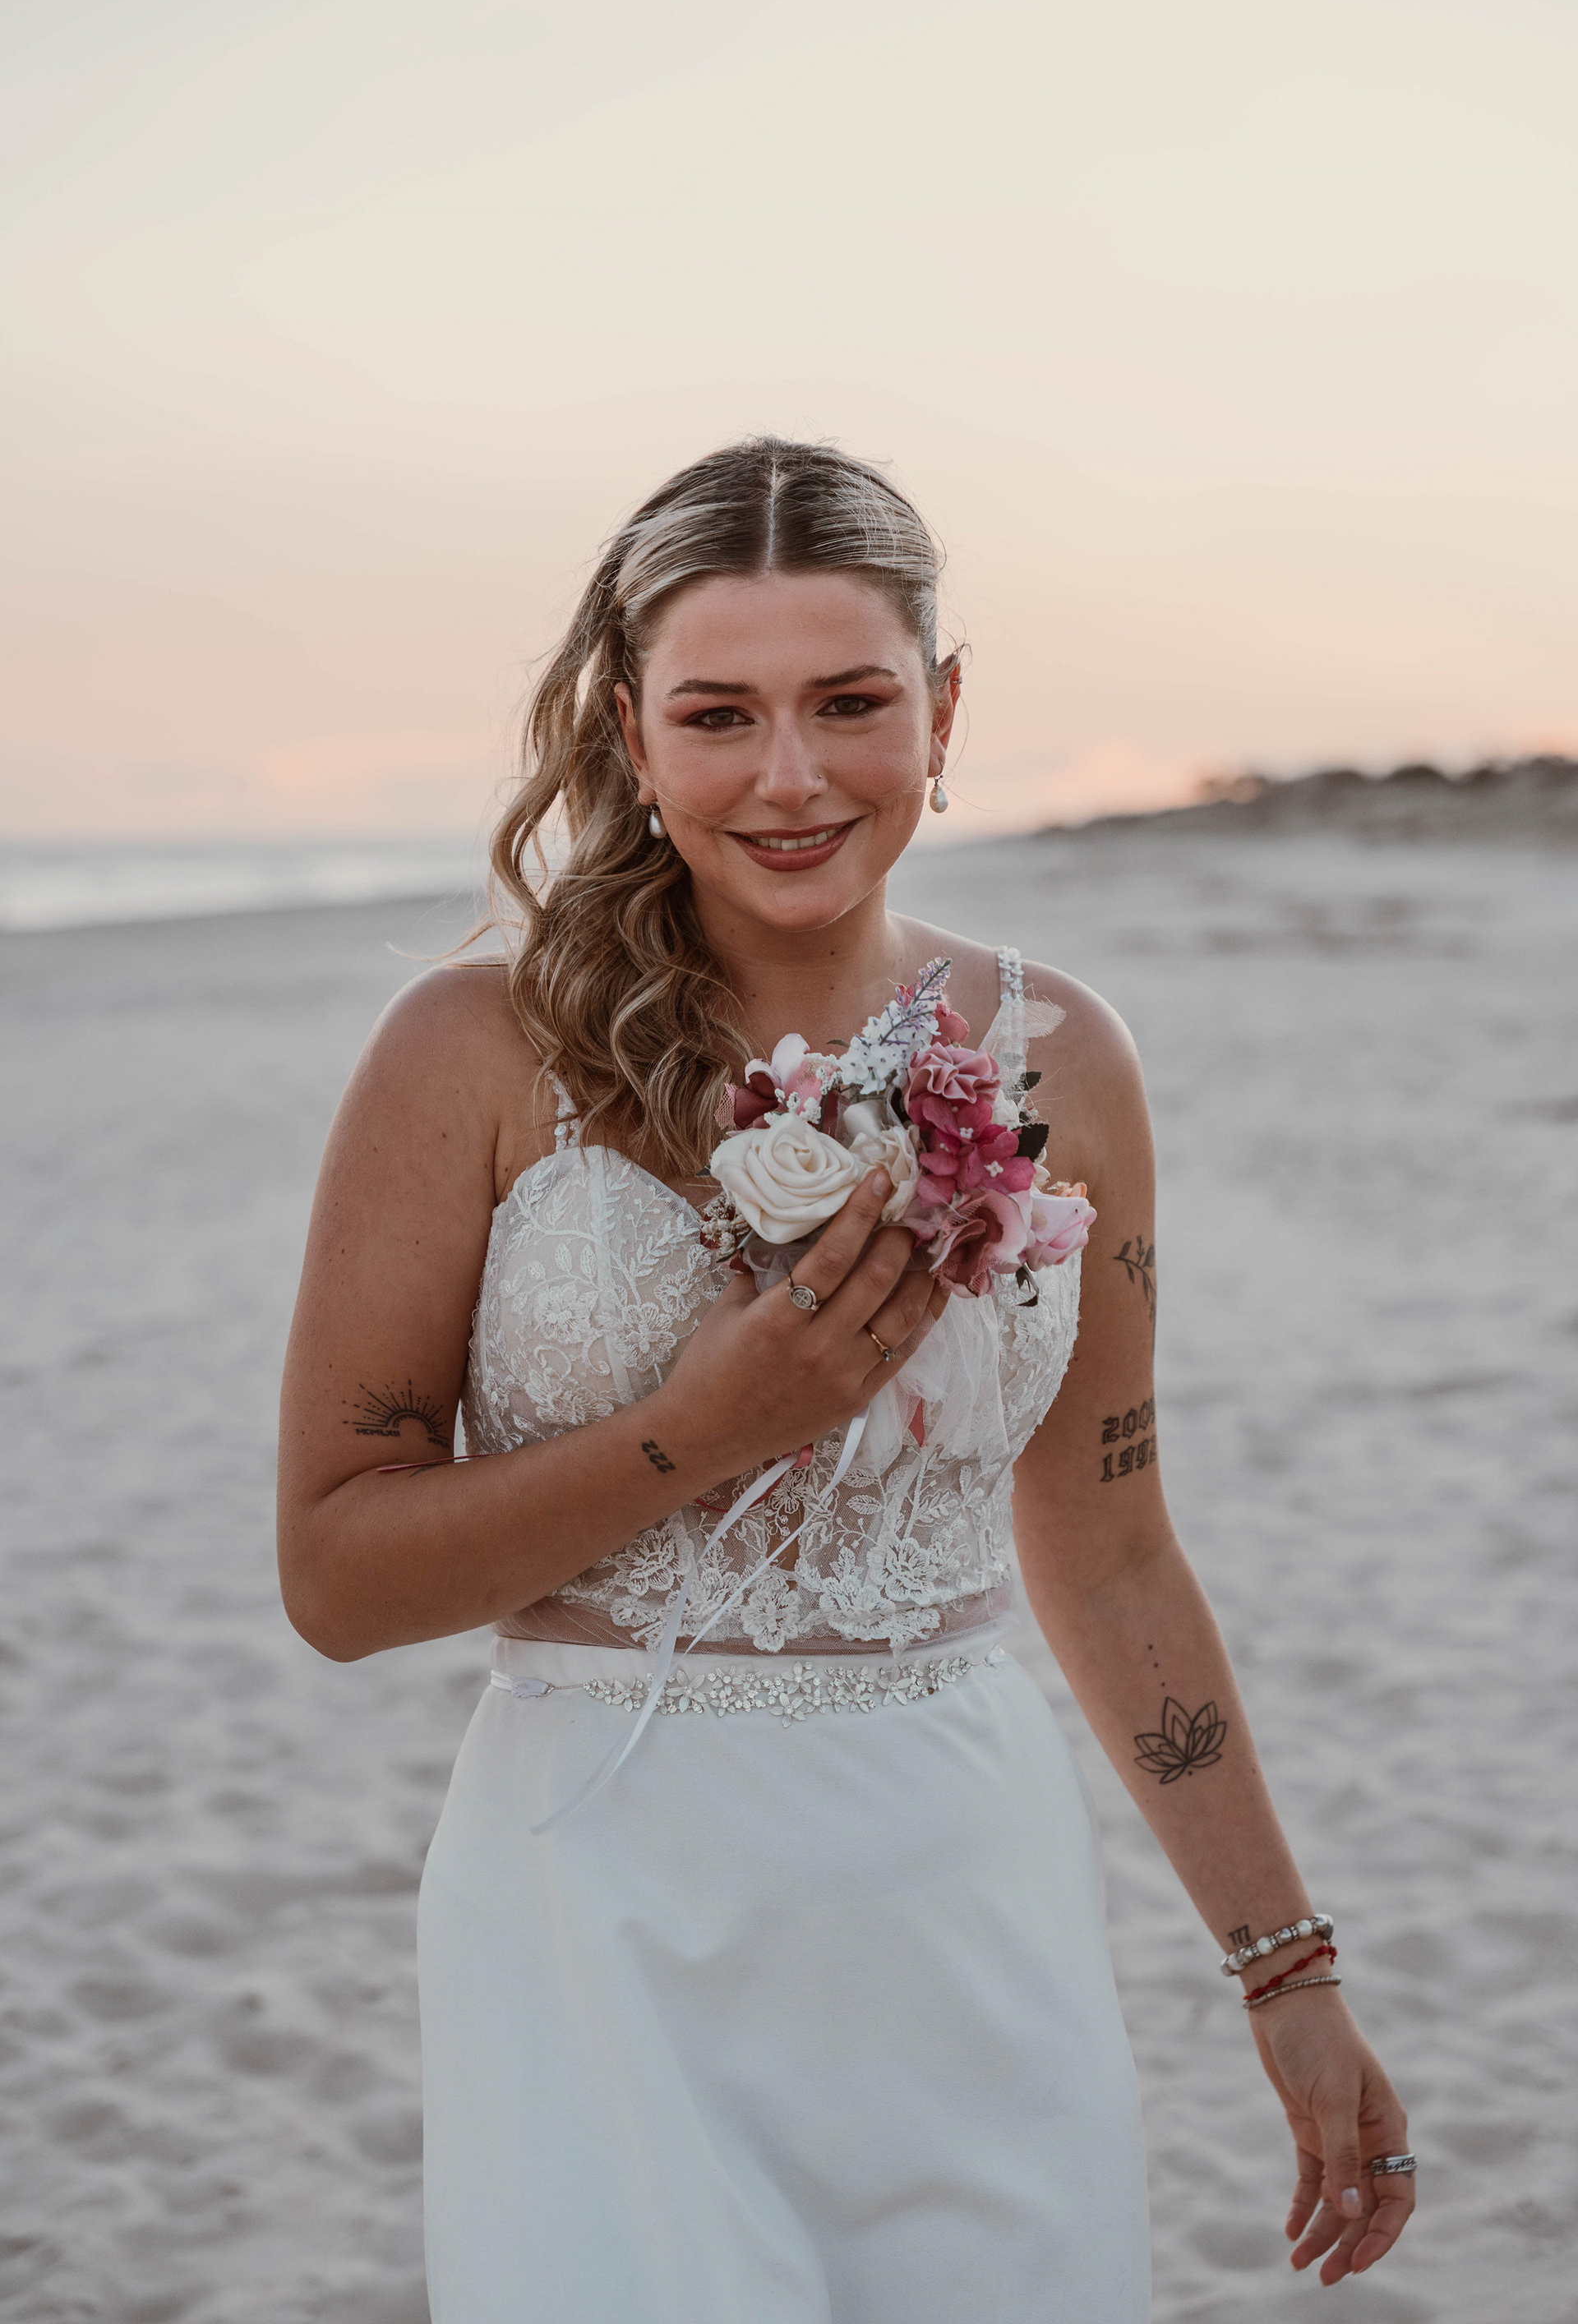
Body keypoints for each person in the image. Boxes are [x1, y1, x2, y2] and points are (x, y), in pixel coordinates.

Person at [276, 439, 1414, 2321]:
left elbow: (1116, 1550)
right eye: (719, 714)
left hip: (962, 1890)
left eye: (852, 704)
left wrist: (1286, 1970)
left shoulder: (1064, 1058)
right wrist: (702, 1430)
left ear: (945, 712)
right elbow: (335, 1580)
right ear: (631, 735)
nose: (790, 777)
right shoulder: (472, 1050)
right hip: (599, 1906)